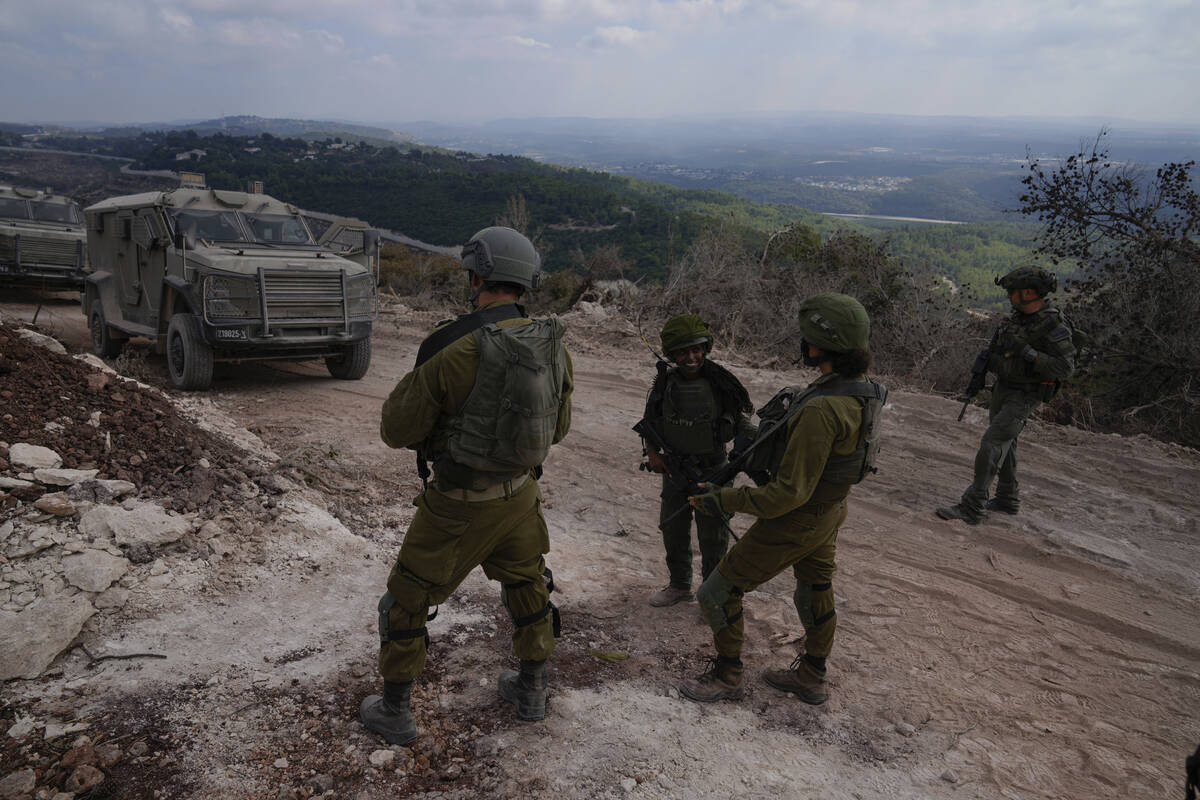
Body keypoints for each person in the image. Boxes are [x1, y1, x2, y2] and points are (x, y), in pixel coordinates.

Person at [360, 226, 573, 744]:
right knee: (528, 584)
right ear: (526, 282)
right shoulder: (551, 345)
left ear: (477, 275)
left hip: (456, 504)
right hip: (521, 497)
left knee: (406, 600)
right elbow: (558, 428)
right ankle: (532, 688)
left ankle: (394, 708)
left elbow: (396, 430)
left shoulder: (454, 350)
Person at [679, 294, 887, 706]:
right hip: (830, 510)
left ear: (818, 345)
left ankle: (728, 676)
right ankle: (812, 675)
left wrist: (724, 499)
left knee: (716, 592)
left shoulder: (823, 408)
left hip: (798, 518)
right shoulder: (864, 393)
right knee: (815, 585)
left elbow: (786, 495)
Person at [936, 267, 1076, 525]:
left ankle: (972, 506)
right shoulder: (1017, 318)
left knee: (992, 443)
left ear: (1030, 292)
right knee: (1005, 444)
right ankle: (1007, 499)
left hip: (1026, 393)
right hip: (1004, 387)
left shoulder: (1053, 325)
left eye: (1012, 291)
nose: (1009, 296)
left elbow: (1066, 368)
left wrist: (1028, 353)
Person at [639, 314, 755, 607]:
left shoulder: (720, 383)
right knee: (673, 530)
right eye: (682, 352)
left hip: (714, 469)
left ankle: (712, 595)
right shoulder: (664, 385)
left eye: (696, 350)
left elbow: (741, 422)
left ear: (705, 348)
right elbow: (650, 423)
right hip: (675, 471)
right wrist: (653, 455)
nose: (690, 357)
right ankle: (679, 585)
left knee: (713, 536)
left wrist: (759, 440)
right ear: (672, 354)